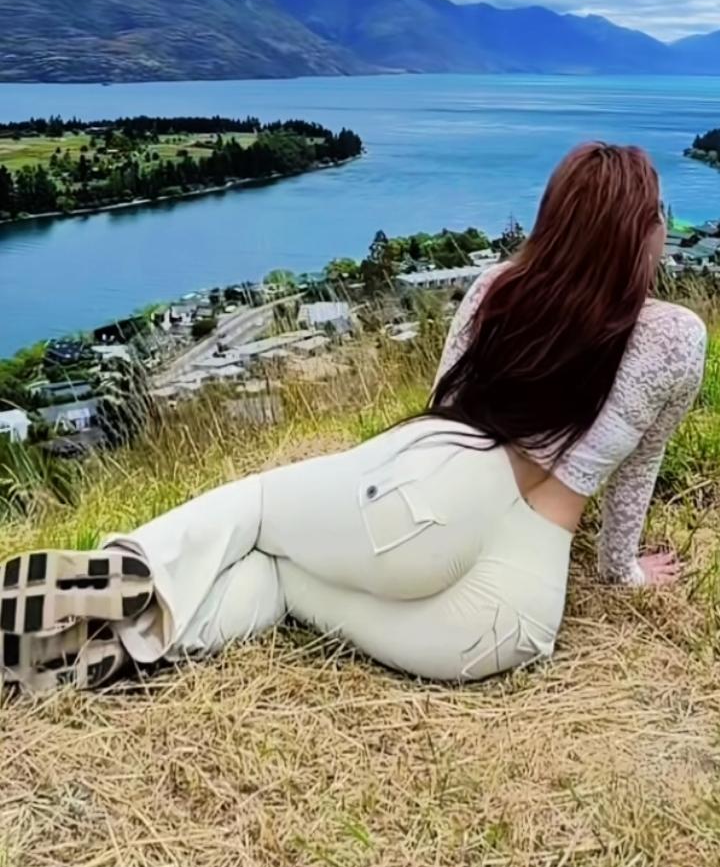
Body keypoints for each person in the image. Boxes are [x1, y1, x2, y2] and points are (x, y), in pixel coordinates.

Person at [0, 142, 707, 697]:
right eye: (661, 221)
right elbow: (632, 466)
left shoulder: (500, 287)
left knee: (253, 516)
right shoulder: (675, 336)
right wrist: (623, 571)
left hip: (434, 492)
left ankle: (109, 584)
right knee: (282, 583)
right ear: (635, 236)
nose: (666, 236)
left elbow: (441, 411)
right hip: (507, 621)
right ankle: (103, 651)